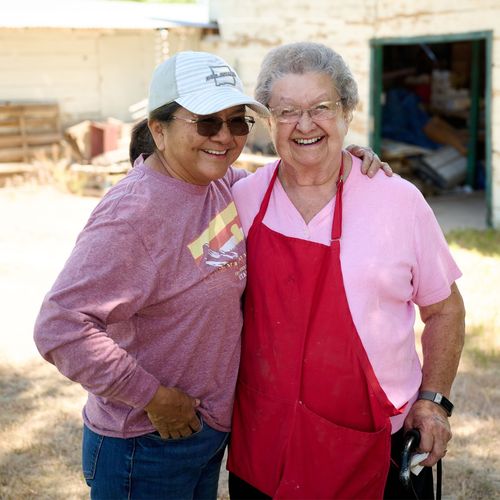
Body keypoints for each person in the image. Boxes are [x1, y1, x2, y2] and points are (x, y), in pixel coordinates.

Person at [33, 50, 387, 500]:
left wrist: (346, 159)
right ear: (158, 130)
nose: (224, 137)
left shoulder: (220, 184)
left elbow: (290, 177)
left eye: (237, 122)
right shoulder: (134, 215)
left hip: (202, 435)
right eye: (205, 122)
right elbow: (60, 327)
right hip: (147, 442)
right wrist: (154, 399)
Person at [227, 42, 466, 500]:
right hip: (264, 446)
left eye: (321, 107)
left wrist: (433, 403)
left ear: (347, 112)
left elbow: (445, 311)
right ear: (269, 121)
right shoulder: (241, 199)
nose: (305, 124)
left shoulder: (397, 200)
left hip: (376, 447)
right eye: (287, 111)